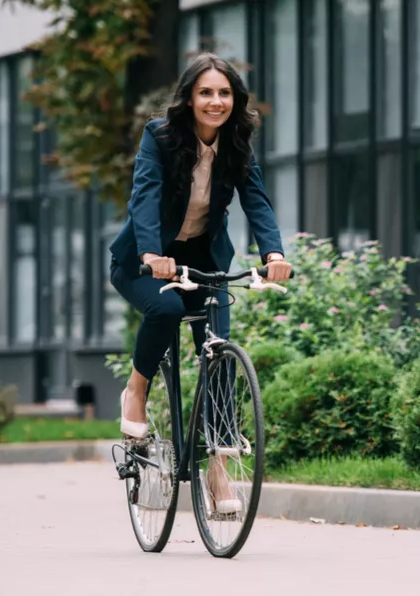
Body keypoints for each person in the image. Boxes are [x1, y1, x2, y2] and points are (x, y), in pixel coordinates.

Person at [108, 52, 292, 512]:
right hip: (146, 261)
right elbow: (144, 195)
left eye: (224, 93)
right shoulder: (161, 136)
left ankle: (219, 471)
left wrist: (273, 253)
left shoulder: (238, 141)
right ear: (189, 98)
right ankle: (136, 389)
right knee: (167, 310)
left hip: (204, 260)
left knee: (219, 355)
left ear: (235, 98)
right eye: (205, 92)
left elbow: (257, 201)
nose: (216, 101)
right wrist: (152, 252)